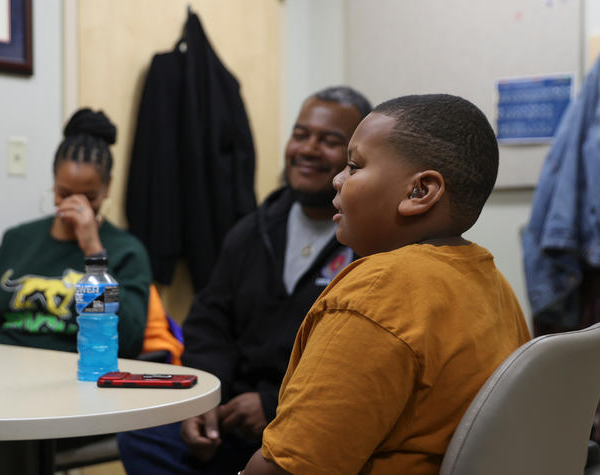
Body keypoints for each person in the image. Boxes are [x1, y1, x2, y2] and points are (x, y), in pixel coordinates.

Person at [241, 94, 531, 475]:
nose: (337, 179)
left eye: (354, 165)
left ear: (419, 192)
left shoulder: (376, 294)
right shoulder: (490, 282)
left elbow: (289, 470)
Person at [115, 86, 372, 474]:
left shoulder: (370, 245)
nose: (308, 149)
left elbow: (357, 363)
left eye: (329, 141)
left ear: (354, 159)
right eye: (301, 134)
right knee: (141, 434)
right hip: (233, 416)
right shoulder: (252, 230)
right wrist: (205, 403)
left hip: (308, 420)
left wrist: (270, 404)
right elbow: (209, 322)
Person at [0, 108, 151, 359]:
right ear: (54, 183)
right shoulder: (17, 240)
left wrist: (94, 254)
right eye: (64, 194)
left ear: (107, 187)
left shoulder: (126, 251)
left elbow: (128, 341)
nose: (76, 205)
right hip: (1, 367)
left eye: (89, 198)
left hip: (72, 372)